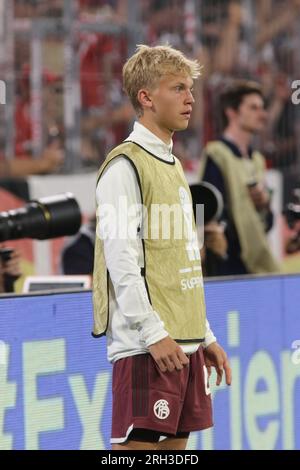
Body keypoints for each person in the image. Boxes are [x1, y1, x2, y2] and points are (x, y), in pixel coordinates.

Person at [93, 44, 231, 451]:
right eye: (178, 88)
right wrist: (153, 334)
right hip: (147, 348)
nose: (190, 98)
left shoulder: (172, 166)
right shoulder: (124, 166)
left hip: (182, 346)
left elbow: (180, 262)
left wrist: (203, 337)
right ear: (146, 98)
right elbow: (121, 261)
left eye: (190, 88)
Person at [199, 80, 281, 276]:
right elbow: (209, 214)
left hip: (255, 264)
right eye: (253, 108)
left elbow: (266, 223)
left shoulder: (257, 160)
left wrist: (264, 205)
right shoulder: (216, 154)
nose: (262, 114)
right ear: (232, 112)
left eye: (262, 108)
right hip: (227, 267)